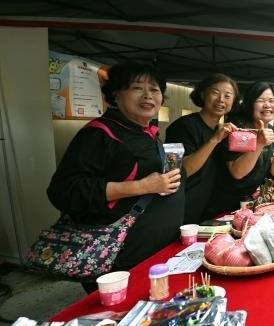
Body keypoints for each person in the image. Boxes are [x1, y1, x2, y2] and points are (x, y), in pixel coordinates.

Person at [47, 63, 184, 293]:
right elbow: (63, 190)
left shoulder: (145, 133)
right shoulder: (99, 134)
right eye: (137, 87)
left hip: (154, 254)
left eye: (155, 89)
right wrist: (141, 186)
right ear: (115, 94)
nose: (148, 95)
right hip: (119, 259)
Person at [210, 81, 274, 214]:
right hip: (224, 205)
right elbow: (237, 172)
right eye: (261, 100)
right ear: (250, 103)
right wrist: (259, 143)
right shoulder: (237, 129)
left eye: (271, 101)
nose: (267, 105)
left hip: (250, 203)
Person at [165, 73, 237, 223]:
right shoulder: (180, 126)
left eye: (227, 96)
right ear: (203, 94)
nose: (221, 99)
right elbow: (177, 171)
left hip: (210, 211)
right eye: (215, 92)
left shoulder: (224, 131)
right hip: (183, 210)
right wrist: (214, 140)